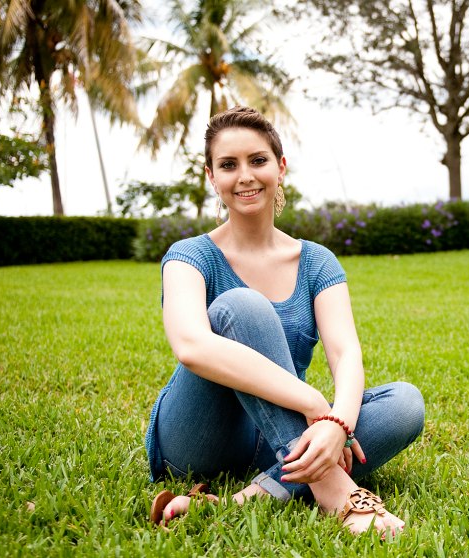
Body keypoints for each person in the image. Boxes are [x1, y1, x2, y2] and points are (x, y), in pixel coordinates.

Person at [144, 106, 425, 537]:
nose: (245, 176)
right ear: (211, 177)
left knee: (404, 404)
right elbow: (191, 346)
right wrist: (314, 405)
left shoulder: (316, 262)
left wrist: (337, 424)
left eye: (257, 160)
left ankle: (244, 498)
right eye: (228, 165)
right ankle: (334, 490)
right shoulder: (190, 255)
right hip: (200, 436)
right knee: (243, 305)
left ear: (280, 166)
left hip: (278, 438)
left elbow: (345, 353)